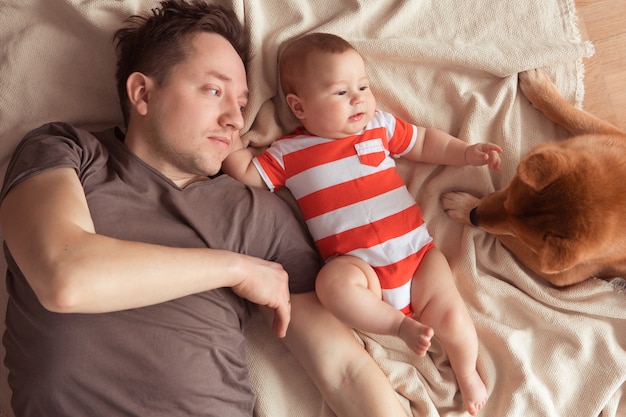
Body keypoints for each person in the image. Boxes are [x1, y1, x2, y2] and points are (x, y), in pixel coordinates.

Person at [0, 4, 410, 417]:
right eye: (214, 91)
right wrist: (237, 269)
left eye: (242, 101)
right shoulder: (66, 154)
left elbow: (344, 371)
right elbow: (64, 277)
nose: (235, 119)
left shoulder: (258, 215)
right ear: (143, 93)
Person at [223, 32, 502, 416]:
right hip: (360, 269)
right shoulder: (289, 153)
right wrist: (232, 140)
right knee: (330, 284)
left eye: (363, 86)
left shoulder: (380, 127)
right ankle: (396, 326)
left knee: (451, 313)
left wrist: (465, 153)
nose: (358, 98)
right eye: (340, 92)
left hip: (415, 255)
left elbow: (423, 143)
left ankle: (466, 370)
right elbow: (247, 176)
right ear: (298, 107)